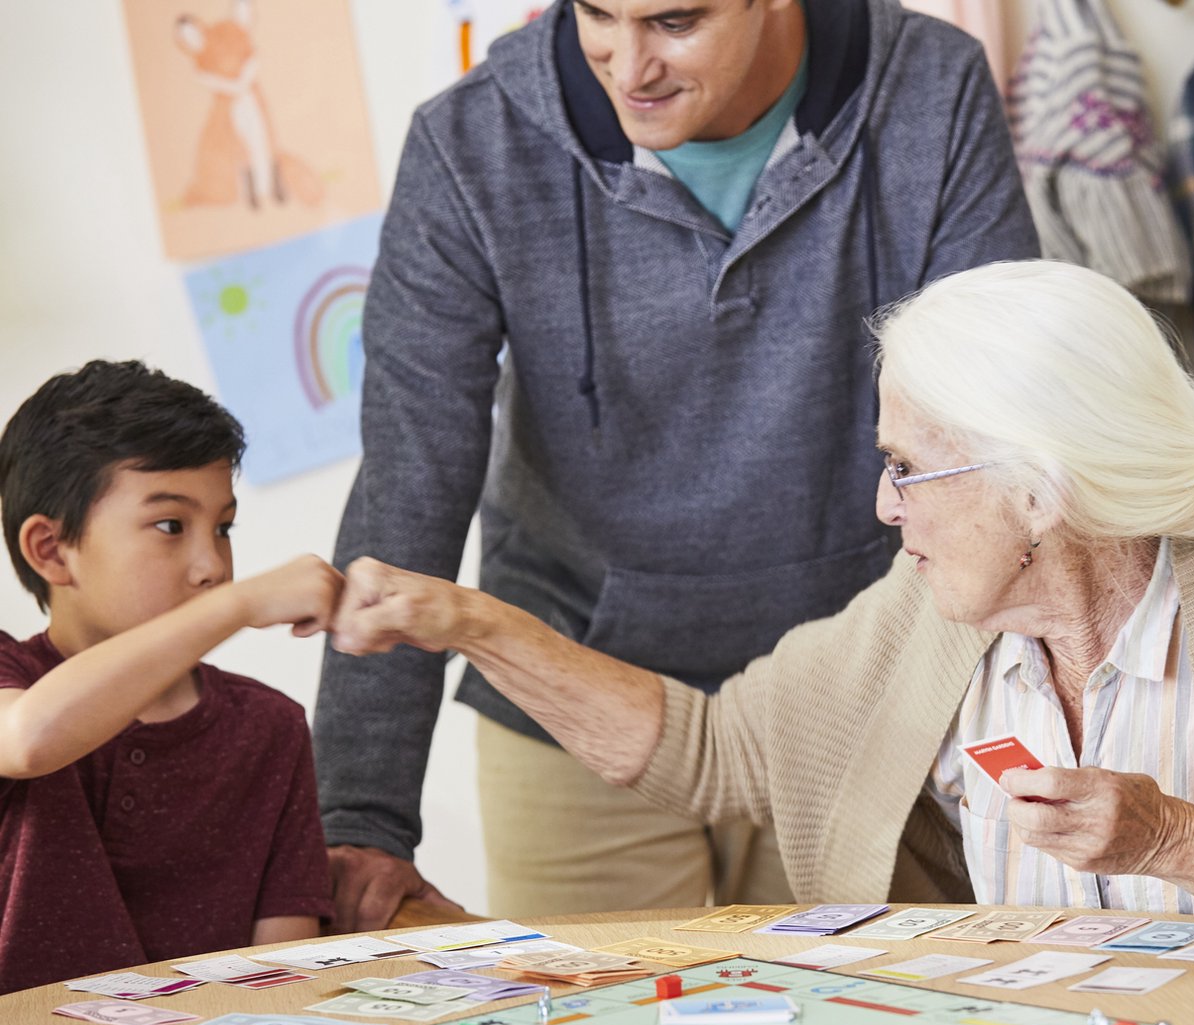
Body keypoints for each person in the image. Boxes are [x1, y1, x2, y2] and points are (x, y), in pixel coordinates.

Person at [315, 0, 1040, 929]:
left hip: (854, 687)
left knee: (867, 1012)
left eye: (674, 22)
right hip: (572, 688)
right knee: (577, 1016)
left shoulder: (930, 87)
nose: (628, 67)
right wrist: (360, 816)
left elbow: (992, 428)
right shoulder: (471, 142)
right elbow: (411, 468)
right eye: (598, 15)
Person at [329, 259, 1194, 913]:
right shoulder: (931, 622)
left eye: (906, 468)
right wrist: (470, 623)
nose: (884, 505)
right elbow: (711, 749)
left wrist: (1169, 837)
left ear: (1036, 491)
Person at [0, 360, 343, 994]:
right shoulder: (11, 678)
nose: (213, 565)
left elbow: (284, 977)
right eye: (170, 526)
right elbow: (26, 739)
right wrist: (238, 605)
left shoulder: (270, 726)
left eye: (223, 528)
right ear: (51, 550)